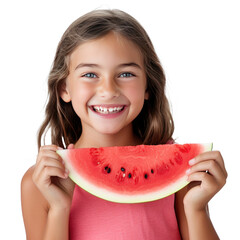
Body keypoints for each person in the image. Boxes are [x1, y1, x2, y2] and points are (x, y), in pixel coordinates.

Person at [21, 9, 227, 240]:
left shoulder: (182, 170)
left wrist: (197, 209)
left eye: (126, 74)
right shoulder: (40, 182)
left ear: (148, 87)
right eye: (90, 74)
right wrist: (59, 209)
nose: (108, 90)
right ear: (64, 89)